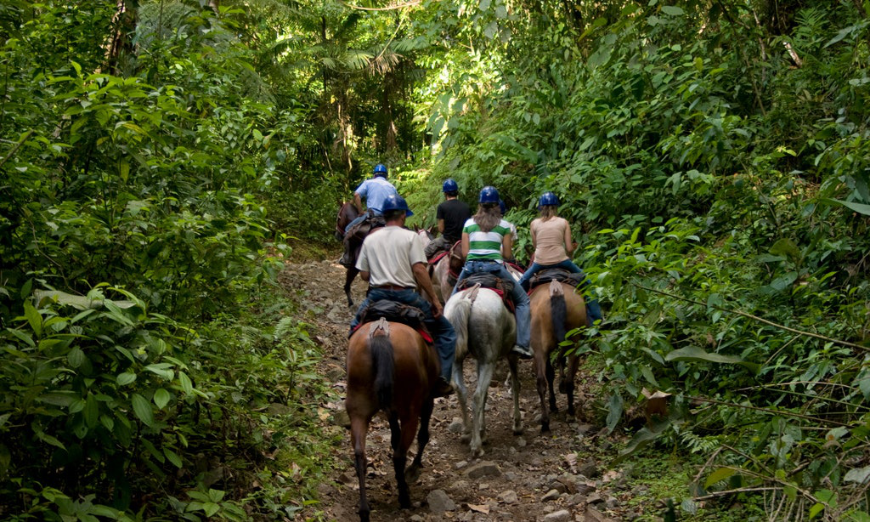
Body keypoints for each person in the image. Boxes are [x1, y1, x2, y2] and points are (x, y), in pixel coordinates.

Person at [349, 194, 457, 397]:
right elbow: (419, 270)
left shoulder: (370, 238)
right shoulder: (411, 237)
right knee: (447, 333)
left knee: (354, 329)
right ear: (403, 216)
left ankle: (354, 383)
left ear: (385, 216)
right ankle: (441, 379)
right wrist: (434, 300)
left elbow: (364, 275)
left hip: (376, 297)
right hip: (406, 297)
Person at [451, 186, 533, 359]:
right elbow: (508, 255)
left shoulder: (468, 224)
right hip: (494, 268)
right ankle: (523, 344)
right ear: (497, 205)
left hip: (470, 268)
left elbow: (465, 254)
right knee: (524, 300)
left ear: (480, 205)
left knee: (451, 301)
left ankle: (447, 341)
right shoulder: (504, 226)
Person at [517, 192, 603, 324]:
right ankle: (598, 320)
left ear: (540, 208)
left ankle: (517, 320)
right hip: (562, 261)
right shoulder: (563, 222)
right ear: (556, 207)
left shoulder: (534, 224)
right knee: (588, 284)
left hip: (539, 263)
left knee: (520, 285)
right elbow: (569, 248)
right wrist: (570, 256)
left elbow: (536, 247)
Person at [339, 163, 398, 266]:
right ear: (386, 176)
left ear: (374, 175)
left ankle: (347, 257)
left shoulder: (368, 183)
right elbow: (396, 203)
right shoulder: (392, 187)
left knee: (348, 229)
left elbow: (357, 195)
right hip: (387, 219)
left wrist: (361, 211)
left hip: (372, 216)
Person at [424, 178, 472, 258]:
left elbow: (441, 229)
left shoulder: (442, 207)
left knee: (425, 252)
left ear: (445, 193)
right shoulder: (466, 207)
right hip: (464, 241)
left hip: (447, 240)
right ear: (457, 193)